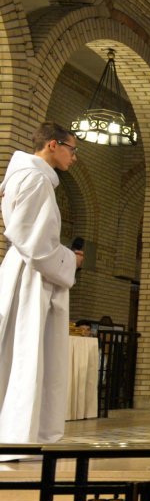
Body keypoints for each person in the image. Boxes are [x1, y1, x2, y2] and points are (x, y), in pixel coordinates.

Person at [0, 124, 84, 460]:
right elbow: (30, 238)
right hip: (33, 276)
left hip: (33, 271)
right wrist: (70, 260)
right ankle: (19, 436)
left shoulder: (31, 176)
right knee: (27, 354)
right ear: (52, 144)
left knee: (29, 354)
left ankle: (27, 433)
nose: (74, 157)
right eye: (71, 149)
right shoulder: (34, 179)